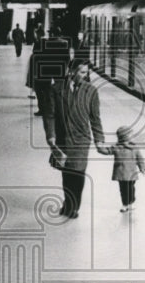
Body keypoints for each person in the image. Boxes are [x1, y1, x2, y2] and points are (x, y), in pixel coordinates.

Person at [43, 59, 107, 218]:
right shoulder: (55, 89)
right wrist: (50, 135)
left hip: (81, 139)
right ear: (71, 72)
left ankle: (74, 206)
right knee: (66, 174)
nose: (85, 76)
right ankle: (68, 202)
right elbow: (49, 115)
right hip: (63, 139)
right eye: (82, 72)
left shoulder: (91, 91)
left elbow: (95, 118)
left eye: (87, 73)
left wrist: (99, 140)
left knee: (78, 173)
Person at [99, 125, 145, 212]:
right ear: (125, 137)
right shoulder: (116, 147)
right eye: (130, 135)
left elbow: (140, 158)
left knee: (131, 189)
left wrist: (142, 168)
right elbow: (106, 151)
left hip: (131, 173)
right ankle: (125, 204)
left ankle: (130, 202)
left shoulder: (134, 147)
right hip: (121, 173)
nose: (132, 137)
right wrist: (100, 147)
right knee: (123, 190)